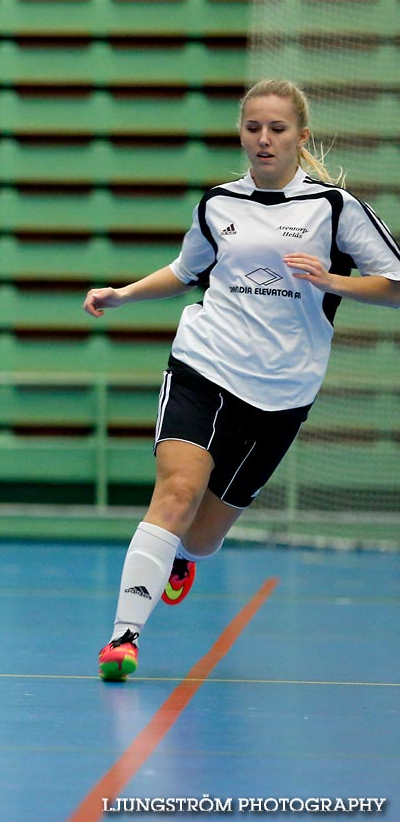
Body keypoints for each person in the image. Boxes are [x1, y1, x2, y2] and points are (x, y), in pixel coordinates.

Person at [84, 79, 400, 682]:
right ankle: (123, 639)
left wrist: (335, 283)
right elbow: (186, 271)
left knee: (200, 538)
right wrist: (123, 294)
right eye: (252, 127)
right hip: (205, 363)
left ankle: (178, 556)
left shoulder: (334, 208)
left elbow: (396, 287)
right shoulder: (217, 205)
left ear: (300, 137)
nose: (263, 139)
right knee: (176, 492)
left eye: (277, 129)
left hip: (281, 394)